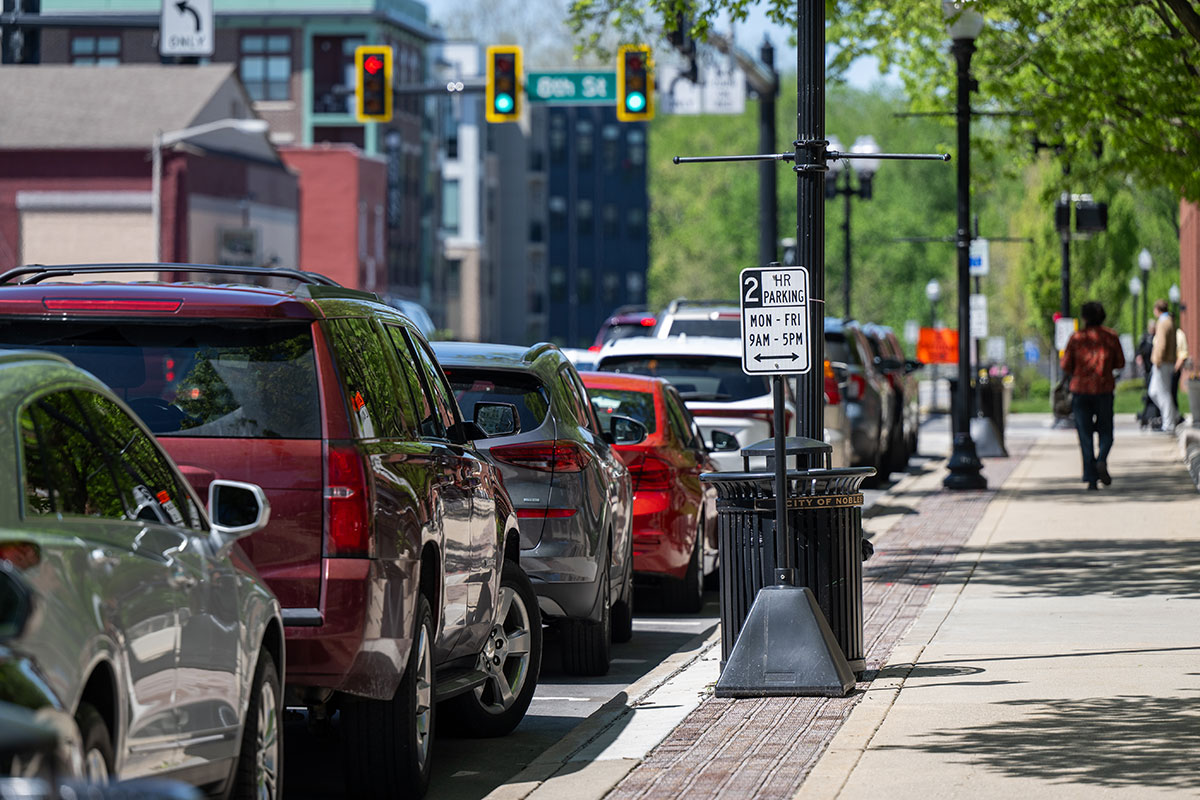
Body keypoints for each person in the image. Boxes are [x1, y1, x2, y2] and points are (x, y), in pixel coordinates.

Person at [1060, 300, 1125, 490]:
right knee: (1107, 432)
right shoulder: (1111, 337)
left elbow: (1065, 365)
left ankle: (1090, 477)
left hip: (1080, 391)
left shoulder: (1077, 338)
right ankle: (1101, 459)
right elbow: (1120, 363)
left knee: (1084, 434)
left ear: (1084, 317)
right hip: (1104, 390)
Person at [1149, 299, 1178, 434]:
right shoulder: (1170, 321)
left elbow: (1161, 344)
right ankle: (1173, 415)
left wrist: (1158, 360)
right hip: (1167, 362)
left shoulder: (1163, 322)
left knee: (1163, 393)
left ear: (1157, 309)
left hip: (1162, 362)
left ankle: (1169, 423)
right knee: (1153, 392)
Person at [1135, 319, 1159, 429]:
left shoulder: (1157, 338)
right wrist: (1139, 358)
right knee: (1150, 392)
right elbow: (1139, 351)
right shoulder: (1145, 338)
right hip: (1147, 369)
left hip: (1155, 368)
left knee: (1152, 392)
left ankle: (1150, 415)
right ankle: (1147, 416)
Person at [1172, 323, 1189, 426]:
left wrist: (1176, 368)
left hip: (1174, 368)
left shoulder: (1179, 334)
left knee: (1172, 393)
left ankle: (1176, 416)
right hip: (1167, 368)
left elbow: (1183, 353)